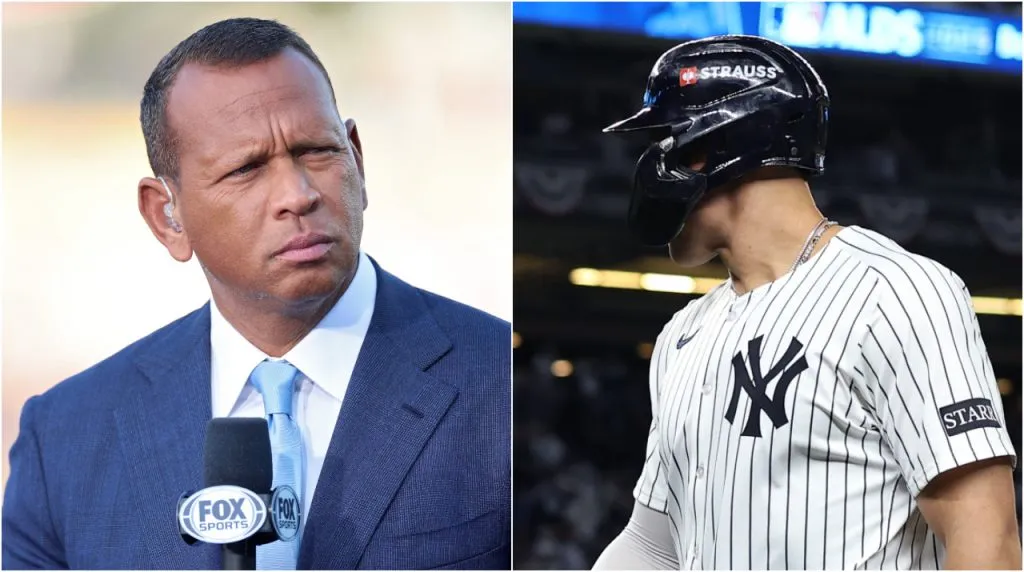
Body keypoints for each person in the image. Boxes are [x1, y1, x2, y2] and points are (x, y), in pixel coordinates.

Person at [2, 18, 509, 570]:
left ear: (357, 160)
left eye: (316, 151)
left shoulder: (498, 382)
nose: (297, 194)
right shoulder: (65, 439)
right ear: (166, 216)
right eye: (246, 169)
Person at [593, 35, 1020, 569]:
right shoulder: (684, 334)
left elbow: (987, 542)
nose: (651, 165)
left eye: (666, 141)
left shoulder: (893, 293)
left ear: (718, 144)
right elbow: (652, 546)